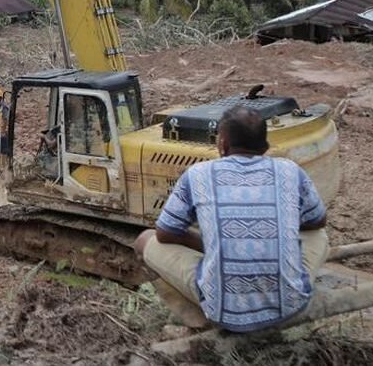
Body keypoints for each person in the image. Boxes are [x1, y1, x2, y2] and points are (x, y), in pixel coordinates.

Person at [135, 106, 329, 333]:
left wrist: (209, 245)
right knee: (319, 235)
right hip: (289, 306)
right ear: (265, 145)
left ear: (222, 144)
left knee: (145, 240)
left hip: (223, 311)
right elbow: (317, 222)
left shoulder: (197, 174)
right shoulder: (291, 171)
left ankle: (193, 316)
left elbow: (164, 233)